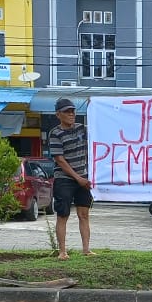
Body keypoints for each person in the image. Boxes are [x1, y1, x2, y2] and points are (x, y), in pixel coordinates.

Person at [48, 98, 93, 260]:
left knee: (84, 213)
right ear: (58, 114)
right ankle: (62, 251)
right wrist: (78, 178)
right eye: (67, 111)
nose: (71, 114)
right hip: (64, 179)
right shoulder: (55, 133)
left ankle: (86, 249)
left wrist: (94, 106)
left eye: (73, 111)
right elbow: (60, 159)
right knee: (63, 214)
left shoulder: (83, 129)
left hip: (83, 177)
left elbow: (99, 128)